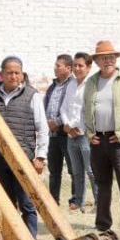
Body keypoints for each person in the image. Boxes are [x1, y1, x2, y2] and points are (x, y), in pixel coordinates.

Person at [0, 55, 47, 238]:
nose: (13, 76)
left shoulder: (32, 96)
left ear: (22, 75)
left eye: (17, 73)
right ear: (1, 74)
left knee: (27, 204)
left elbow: (42, 128)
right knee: (5, 203)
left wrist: (40, 156)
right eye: (9, 73)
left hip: (24, 158)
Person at [82, 40, 120, 238]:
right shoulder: (91, 83)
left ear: (116, 59)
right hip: (98, 141)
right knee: (102, 184)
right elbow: (85, 112)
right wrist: (89, 134)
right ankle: (102, 223)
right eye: (103, 58)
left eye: (111, 57)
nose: (108, 60)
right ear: (97, 61)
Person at [62, 51, 96, 211]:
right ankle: (80, 202)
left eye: (80, 65)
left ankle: (99, 203)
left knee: (91, 171)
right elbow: (64, 108)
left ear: (88, 67)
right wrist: (67, 125)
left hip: (84, 135)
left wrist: (76, 126)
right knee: (76, 172)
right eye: (74, 65)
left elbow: (88, 110)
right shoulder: (70, 84)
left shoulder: (92, 85)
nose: (76, 68)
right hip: (70, 134)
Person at [44, 53, 75, 205]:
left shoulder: (73, 85)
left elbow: (71, 108)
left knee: (73, 168)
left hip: (67, 133)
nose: (55, 68)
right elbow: (47, 105)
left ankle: (76, 200)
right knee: (54, 170)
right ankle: (53, 200)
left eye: (58, 65)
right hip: (53, 135)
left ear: (68, 68)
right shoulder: (53, 86)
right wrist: (47, 123)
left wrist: (56, 122)